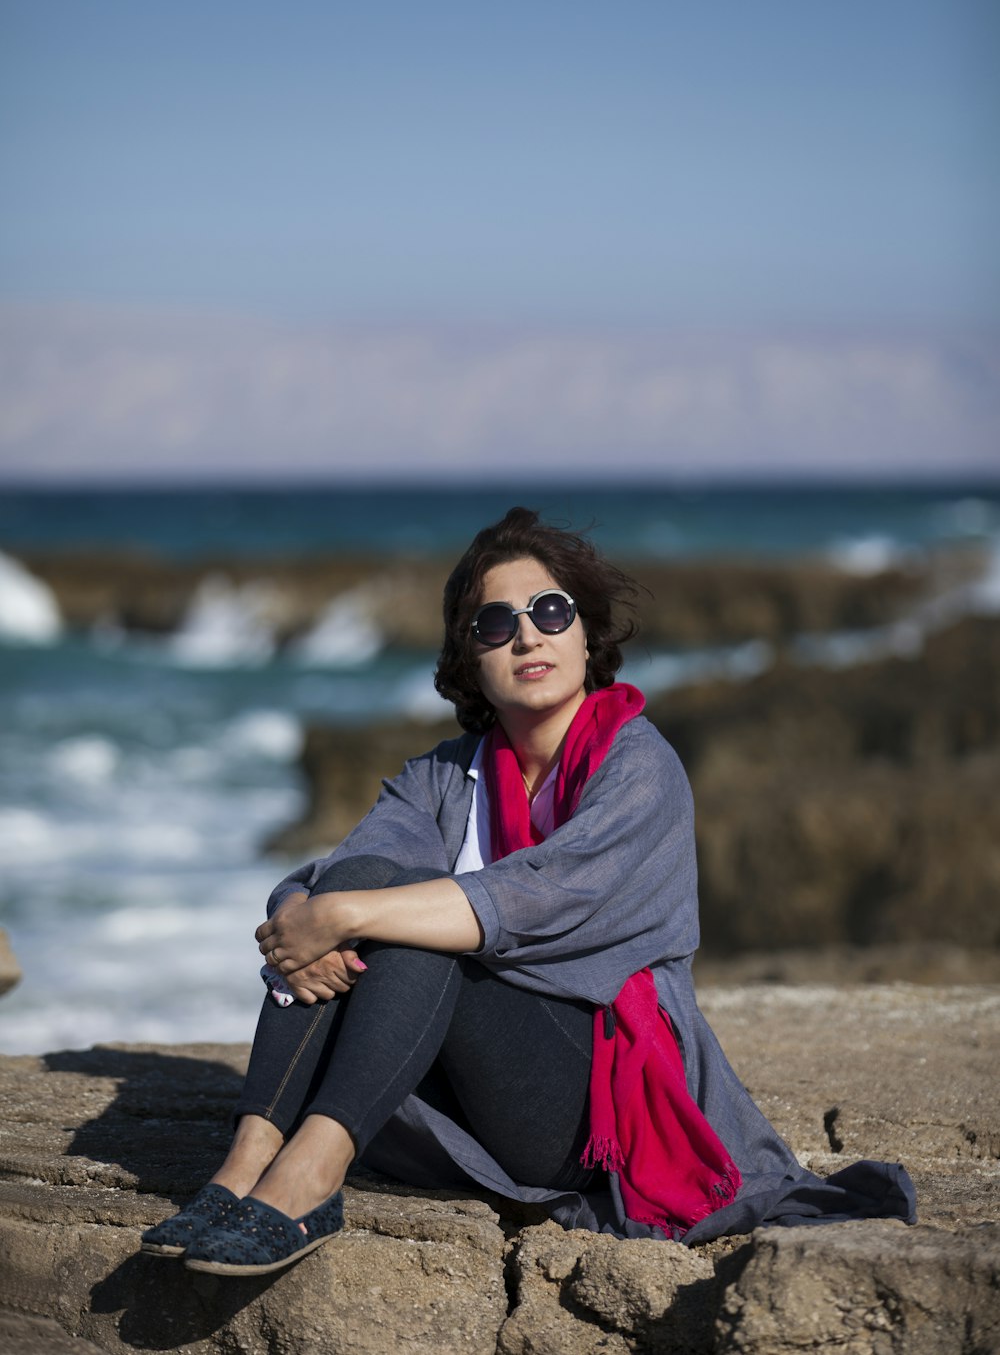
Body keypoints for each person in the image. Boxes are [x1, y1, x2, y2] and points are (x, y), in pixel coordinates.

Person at [142, 507, 916, 1275]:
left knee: (419, 922)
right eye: (494, 623)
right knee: (368, 883)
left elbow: (530, 899)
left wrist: (338, 916)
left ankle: (313, 1170)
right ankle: (245, 1163)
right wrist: (295, 917)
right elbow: (339, 874)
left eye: (550, 611)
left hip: (587, 1110)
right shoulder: (444, 776)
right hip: (455, 1102)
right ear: (468, 656)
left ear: (586, 632)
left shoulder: (640, 771)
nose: (527, 635)